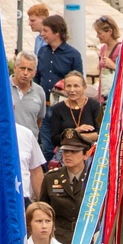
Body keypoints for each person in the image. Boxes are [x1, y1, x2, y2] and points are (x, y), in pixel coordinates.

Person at [33, 13, 82, 159]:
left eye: (45, 31)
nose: (42, 34)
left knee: (66, 146)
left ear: (57, 32)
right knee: (46, 148)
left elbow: (79, 81)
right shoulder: (42, 51)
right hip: (45, 107)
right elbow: (37, 77)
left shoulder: (73, 55)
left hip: (64, 110)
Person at [48, 68, 100, 150]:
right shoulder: (57, 108)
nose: (72, 90)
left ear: (84, 88)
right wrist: (76, 131)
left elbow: (100, 134)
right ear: (64, 88)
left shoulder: (95, 105)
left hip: (90, 152)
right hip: (66, 152)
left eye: (76, 86)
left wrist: (71, 137)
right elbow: (55, 139)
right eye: (68, 86)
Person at [10, 49, 45, 140]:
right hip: (8, 141)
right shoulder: (3, 88)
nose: (25, 73)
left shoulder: (39, 91)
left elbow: (39, 120)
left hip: (29, 143)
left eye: (29, 70)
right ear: (15, 68)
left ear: (35, 72)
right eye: (22, 68)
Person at [15, 119, 46, 202]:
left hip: (21, 199)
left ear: (13, 109)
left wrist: (42, 204)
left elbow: (36, 171)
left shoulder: (26, 134)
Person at [94, 13, 119, 105]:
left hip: (115, 95)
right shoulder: (103, 49)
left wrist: (114, 66)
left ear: (110, 31)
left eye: (99, 33)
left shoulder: (121, 49)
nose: (97, 36)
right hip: (103, 94)